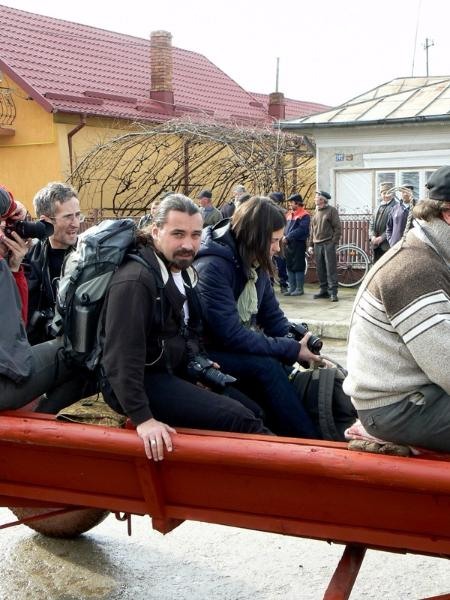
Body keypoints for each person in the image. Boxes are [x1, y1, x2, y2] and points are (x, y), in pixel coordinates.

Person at [100, 193, 271, 461]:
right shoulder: (135, 281)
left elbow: (186, 329)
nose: (188, 245)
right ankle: (287, 478)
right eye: (178, 234)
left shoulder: (180, 271)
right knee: (241, 419)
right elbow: (120, 358)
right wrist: (143, 418)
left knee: (254, 407)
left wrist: (198, 362)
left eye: (195, 235)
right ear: (156, 232)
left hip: (173, 370)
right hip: (143, 382)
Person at [194, 196, 323, 439]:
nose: (277, 248)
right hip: (205, 353)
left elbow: (272, 317)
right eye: (273, 241)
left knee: (283, 366)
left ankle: (299, 431)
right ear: (254, 237)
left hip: (228, 344)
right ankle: (308, 441)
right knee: (267, 366)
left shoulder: (253, 261)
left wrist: (302, 342)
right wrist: (289, 348)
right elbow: (230, 335)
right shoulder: (213, 266)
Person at [343, 166, 450, 453]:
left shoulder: (431, 253)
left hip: (413, 394)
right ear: (448, 214)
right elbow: (447, 366)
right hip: (395, 407)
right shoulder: (415, 269)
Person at [24, 182, 82, 344]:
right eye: (68, 217)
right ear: (46, 221)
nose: (76, 223)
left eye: (78, 215)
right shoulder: (28, 259)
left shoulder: (89, 255)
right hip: (42, 345)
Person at [308, 191, 341, 302]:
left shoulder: (332, 211)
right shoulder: (316, 211)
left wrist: (333, 242)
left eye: (316, 198)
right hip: (317, 244)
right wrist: (310, 245)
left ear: (322, 200)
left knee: (331, 269)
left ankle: (333, 293)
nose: (315, 199)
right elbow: (313, 230)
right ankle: (324, 291)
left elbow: (337, 228)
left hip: (328, 244)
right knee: (320, 269)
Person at [282, 193, 310, 296]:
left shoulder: (304, 215)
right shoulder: (289, 214)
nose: (290, 204)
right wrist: (283, 236)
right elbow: (285, 227)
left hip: (298, 243)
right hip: (288, 243)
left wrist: (288, 237)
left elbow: (302, 230)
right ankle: (292, 288)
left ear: (297, 203)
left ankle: (299, 289)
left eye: (291, 202)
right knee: (289, 265)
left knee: (298, 265)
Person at [369, 182, 398, 262]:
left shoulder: (396, 206)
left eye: (388, 193)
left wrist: (382, 238)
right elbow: (372, 223)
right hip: (375, 245)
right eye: (383, 193)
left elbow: (394, 226)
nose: (385, 195)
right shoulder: (378, 206)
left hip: (388, 245)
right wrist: (372, 236)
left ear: (392, 193)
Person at [269, 192, 288, 293]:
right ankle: (270, 284)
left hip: (279, 240)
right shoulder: (266, 212)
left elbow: (286, 227)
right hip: (269, 241)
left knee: (281, 263)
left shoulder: (283, 213)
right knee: (269, 263)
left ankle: (283, 284)